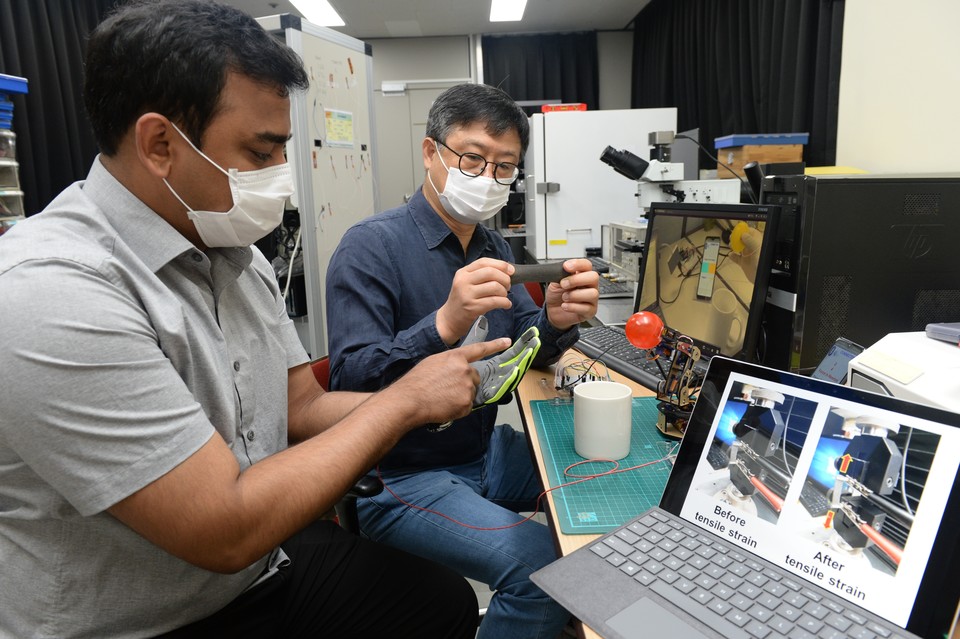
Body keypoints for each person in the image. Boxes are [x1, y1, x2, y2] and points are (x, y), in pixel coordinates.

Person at [0, 3, 513, 637]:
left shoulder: (237, 257)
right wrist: (406, 400)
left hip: (260, 567)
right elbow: (223, 529)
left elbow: (298, 407)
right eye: (260, 151)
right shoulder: (53, 291)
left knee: (441, 603)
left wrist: (440, 391)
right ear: (160, 144)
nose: (281, 178)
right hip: (147, 617)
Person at [325, 83, 601, 638]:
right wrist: (441, 325)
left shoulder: (493, 248)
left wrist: (556, 320)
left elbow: (524, 344)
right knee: (542, 568)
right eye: (473, 158)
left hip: (480, 449)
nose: (488, 179)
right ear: (431, 153)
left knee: (602, 476)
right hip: (402, 473)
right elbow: (345, 384)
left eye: (505, 168)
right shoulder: (370, 248)